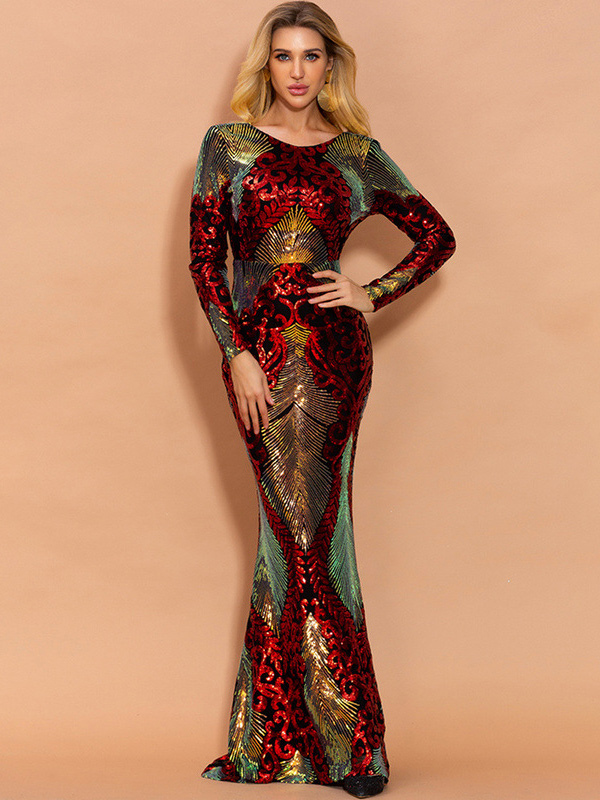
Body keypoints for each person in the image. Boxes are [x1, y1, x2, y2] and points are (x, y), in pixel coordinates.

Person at [188, 2, 456, 796]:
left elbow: (436, 235)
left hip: (336, 360)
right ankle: (291, 741)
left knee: (319, 534)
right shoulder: (228, 147)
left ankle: (348, 749)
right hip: (260, 360)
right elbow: (205, 261)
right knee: (290, 535)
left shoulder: (355, 153)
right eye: (284, 56)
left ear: (329, 66)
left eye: (311, 56)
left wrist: (371, 293)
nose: (298, 70)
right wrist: (236, 352)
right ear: (266, 65)